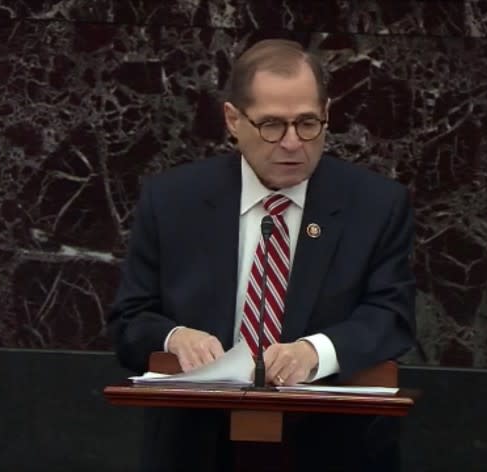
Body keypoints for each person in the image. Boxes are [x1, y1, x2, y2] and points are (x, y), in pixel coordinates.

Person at [108, 38, 416, 471]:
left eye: (308, 124)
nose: (292, 143)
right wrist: (176, 338)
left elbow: (392, 316)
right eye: (272, 125)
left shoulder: (376, 205)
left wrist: (314, 351)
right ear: (233, 120)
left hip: (334, 448)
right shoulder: (174, 201)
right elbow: (129, 320)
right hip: (196, 448)